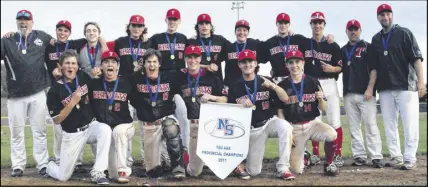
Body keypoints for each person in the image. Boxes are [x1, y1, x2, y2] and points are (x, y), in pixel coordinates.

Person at [45, 49, 112, 185]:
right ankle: (49, 166)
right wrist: (72, 102)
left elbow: (96, 86)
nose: (71, 66)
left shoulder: (82, 77)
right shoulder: (54, 91)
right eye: (67, 63)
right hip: (72, 134)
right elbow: (57, 120)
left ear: (77, 66)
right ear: (60, 66)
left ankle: (98, 172)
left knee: (105, 129)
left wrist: (97, 75)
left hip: (91, 126)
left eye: (73, 63)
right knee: (63, 176)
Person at [371, 4, 425, 170]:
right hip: (385, 88)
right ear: (378, 17)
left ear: (392, 15)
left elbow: (416, 58)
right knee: (389, 124)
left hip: (406, 86)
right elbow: (374, 66)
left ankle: (409, 158)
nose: (385, 17)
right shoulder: (375, 39)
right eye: (381, 15)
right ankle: (396, 156)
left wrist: (421, 81)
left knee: (409, 124)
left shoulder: (404, 33)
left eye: (387, 14)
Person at [227, 49, 295, 180]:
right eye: (244, 62)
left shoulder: (266, 80)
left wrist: (273, 86)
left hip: (269, 122)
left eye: (250, 61)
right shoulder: (234, 86)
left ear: (256, 63)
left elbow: (285, 98)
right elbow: (231, 115)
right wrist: (240, 107)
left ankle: (283, 168)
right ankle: (238, 166)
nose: (247, 64)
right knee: (254, 172)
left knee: (285, 127)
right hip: (252, 129)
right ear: (239, 65)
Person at [1, 9, 53, 177]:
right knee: (16, 132)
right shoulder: (7, 40)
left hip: (38, 92)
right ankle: (18, 165)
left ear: (32, 21)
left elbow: (59, 45)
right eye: (20, 20)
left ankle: (43, 165)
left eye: (26, 19)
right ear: (17, 22)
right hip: (15, 95)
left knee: (40, 131)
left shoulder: (42, 36)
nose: (23, 22)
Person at [276, 50, 339, 176]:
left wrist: (321, 98)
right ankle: (306, 154)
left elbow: (323, 107)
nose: (294, 65)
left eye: (297, 61)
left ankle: (329, 164)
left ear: (303, 63)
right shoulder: (282, 85)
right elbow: (279, 110)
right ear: (286, 65)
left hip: (312, 124)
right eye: (291, 62)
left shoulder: (313, 81)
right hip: (295, 128)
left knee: (332, 134)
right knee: (295, 170)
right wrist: (288, 130)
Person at [130, 49, 186, 186]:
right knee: (153, 169)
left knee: (171, 127)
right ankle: (160, 165)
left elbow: (188, 78)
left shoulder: (170, 78)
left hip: (165, 118)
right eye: (148, 62)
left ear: (160, 64)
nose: (152, 65)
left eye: (155, 62)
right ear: (143, 64)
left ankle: (178, 166)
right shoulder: (135, 79)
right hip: (149, 125)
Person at [107, 15, 153, 167]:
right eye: (134, 25)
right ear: (129, 27)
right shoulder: (120, 42)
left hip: (142, 87)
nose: (136, 29)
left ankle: (146, 159)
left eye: (139, 26)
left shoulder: (148, 43)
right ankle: (126, 160)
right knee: (125, 123)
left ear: (143, 28)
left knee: (144, 124)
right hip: (124, 87)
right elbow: (103, 45)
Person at [178, 45, 227, 178]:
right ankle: (184, 159)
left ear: (200, 58)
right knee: (194, 172)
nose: (192, 60)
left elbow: (226, 99)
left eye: (195, 57)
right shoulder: (180, 77)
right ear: (185, 59)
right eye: (189, 57)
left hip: (210, 125)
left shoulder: (212, 77)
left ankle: (232, 164)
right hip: (190, 125)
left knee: (221, 166)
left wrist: (213, 97)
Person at [149, 8, 190, 166]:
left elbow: (194, 58)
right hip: (162, 81)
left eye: (175, 19)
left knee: (183, 115)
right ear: (166, 20)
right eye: (170, 19)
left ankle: (184, 149)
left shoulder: (184, 38)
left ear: (179, 22)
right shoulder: (157, 38)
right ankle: (164, 157)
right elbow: (148, 56)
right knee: (161, 120)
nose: (172, 22)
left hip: (179, 82)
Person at [340, 19, 383, 168]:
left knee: (371, 125)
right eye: (350, 29)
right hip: (348, 93)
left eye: (356, 29)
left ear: (360, 30)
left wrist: (370, 88)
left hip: (365, 93)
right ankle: (359, 155)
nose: (353, 32)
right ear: (346, 32)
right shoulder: (343, 50)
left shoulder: (367, 47)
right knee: (354, 127)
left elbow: (374, 69)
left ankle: (376, 156)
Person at [302, 11, 343, 166]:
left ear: (324, 25)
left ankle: (337, 154)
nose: (317, 25)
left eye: (320, 23)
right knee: (314, 120)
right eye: (315, 23)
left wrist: (332, 69)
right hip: (312, 83)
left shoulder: (332, 45)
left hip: (329, 82)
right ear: (311, 25)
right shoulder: (305, 43)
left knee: (334, 120)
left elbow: (340, 67)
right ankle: (315, 154)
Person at [90, 51, 135, 183]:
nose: (110, 64)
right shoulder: (94, 84)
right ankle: (108, 170)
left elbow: (139, 101)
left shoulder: (126, 84)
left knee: (119, 131)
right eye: (106, 62)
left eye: (113, 62)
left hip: (124, 125)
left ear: (117, 66)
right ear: (101, 66)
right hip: (106, 129)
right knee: (111, 174)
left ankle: (123, 170)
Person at [258, 13, 335, 84]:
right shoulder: (270, 43)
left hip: (296, 79)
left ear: (289, 24)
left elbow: (314, 42)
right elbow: (260, 58)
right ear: (276, 24)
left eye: (285, 23)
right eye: (280, 23)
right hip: (278, 80)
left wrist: (327, 36)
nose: (283, 25)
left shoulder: (298, 39)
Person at [186, 13, 231, 83]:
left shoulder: (220, 40)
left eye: (207, 23)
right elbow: (188, 61)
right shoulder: (191, 41)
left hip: (216, 80)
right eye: (201, 24)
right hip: (198, 80)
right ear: (197, 27)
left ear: (211, 26)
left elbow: (232, 51)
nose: (204, 26)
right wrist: (206, 66)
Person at [223, 19, 263, 88]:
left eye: (244, 30)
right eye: (239, 30)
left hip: (251, 84)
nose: (241, 32)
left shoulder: (255, 44)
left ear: (248, 32)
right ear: (235, 32)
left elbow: (270, 46)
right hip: (232, 85)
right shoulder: (228, 47)